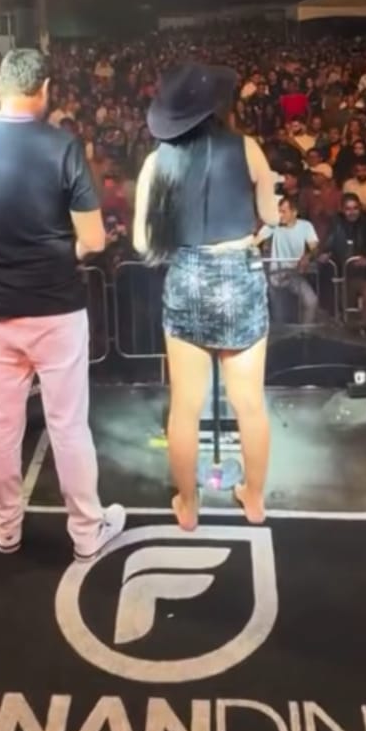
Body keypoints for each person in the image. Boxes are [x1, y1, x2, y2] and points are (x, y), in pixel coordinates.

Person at [0, 48, 125, 561]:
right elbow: (94, 239)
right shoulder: (62, 146)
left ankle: (5, 529)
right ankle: (86, 532)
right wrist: (56, 252)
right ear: (43, 90)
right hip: (56, 309)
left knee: (0, 425)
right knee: (68, 425)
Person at [133, 61, 279, 530]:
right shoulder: (247, 147)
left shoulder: (157, 161)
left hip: (187, 276)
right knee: (249, 404)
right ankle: (253, 500)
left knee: (185, 407)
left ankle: (189, 506)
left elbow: (141, 243)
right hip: (239, 274)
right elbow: (271, 216)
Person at [260, 195, 321, 325]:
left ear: (294, 212)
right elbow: (255, 241)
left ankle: (305, 333)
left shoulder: (306, 226)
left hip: (295, 274)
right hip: (275, 276)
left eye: (283, 211)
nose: (280, 215)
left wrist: (307, 257)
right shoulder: (273, 225)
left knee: (311, 301)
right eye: (279, 211)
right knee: (280, 318)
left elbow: (315, 247)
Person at [325, 192, 366, 326]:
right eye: (348, 209)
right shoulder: (336, 223)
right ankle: (351, 332)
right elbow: (329, 242)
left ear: (360, 208)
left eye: (355, 208)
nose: (352, 212)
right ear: (342, 209)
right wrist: (325, 253)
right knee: (347, 307)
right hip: (345, 274)